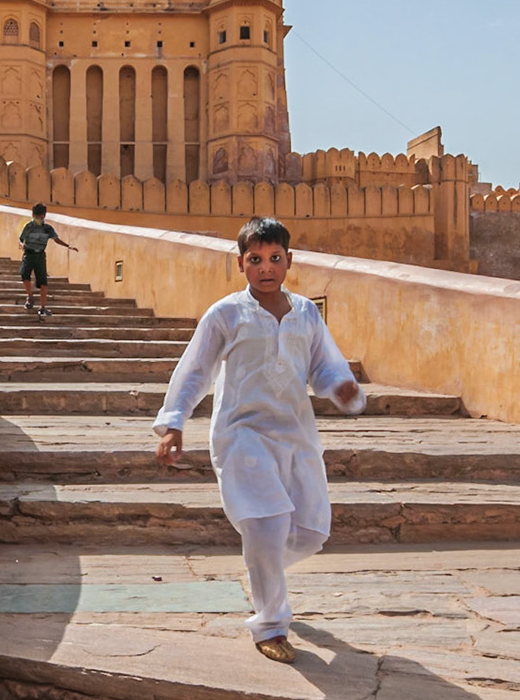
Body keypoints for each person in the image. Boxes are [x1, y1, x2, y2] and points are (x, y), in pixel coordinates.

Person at [153, 217, 365, 663]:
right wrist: (174, 422)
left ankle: (263, 567)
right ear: (240, 264)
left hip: (295, 434)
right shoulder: (226, 314)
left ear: (289, 261)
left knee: (309, 531)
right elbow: (196, 370)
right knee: (268, 526)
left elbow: (324, 365)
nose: (265, 268)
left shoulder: (307, 312)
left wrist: (340, 386)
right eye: (255, 260)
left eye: (274, 259)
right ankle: (270, 624)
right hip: (241, 434)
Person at [17, 202, 76, 317]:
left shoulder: (47, 229)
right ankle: (30, 296)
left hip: (40, 256)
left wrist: (68, 246)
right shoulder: (29, 227)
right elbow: (21, 239)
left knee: (43, 282)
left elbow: (56, 239)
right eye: (37, 216)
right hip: (29, 254)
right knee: (24, 275)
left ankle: (43, 307)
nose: (39, 219)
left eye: (41, 216)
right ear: (33, 215)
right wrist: (21, 245)